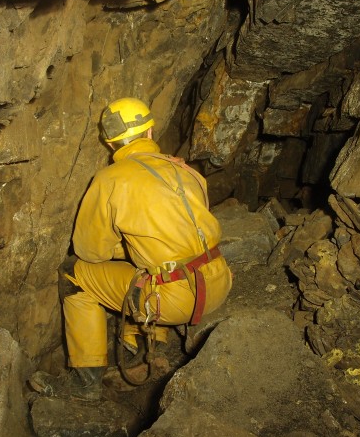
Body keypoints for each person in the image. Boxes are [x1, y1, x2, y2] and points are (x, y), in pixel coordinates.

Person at [35, 97, 232, 401]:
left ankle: (86, 380)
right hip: (218, 281)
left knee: (73, 274)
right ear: (150, 132)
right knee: (153, 260)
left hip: (175, 300)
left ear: (110, 144)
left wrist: (120, 246)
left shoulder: (111, 179)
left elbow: (91, 252)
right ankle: (139, 342)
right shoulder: (186, 170)